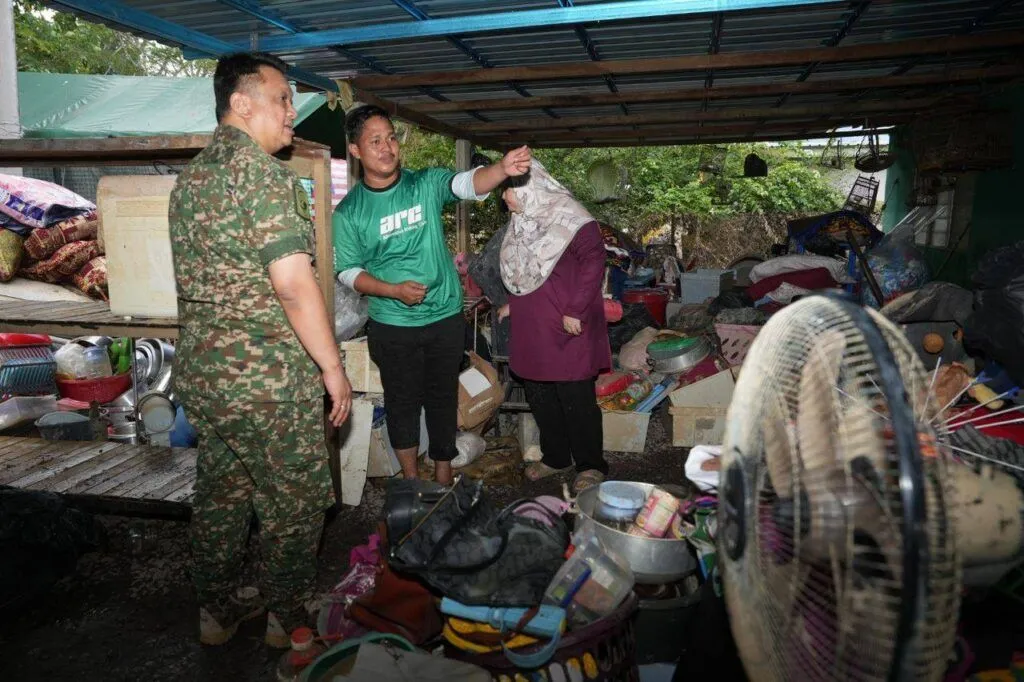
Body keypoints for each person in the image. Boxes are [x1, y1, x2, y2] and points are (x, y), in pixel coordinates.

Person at [169, 52, 352, 650]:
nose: (291, 112)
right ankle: (289, 620)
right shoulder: (263, 177)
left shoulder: (191, 179)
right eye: (282, 98)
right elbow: (294, 285)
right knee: (294, 500)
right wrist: (333, 368)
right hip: (265, 381)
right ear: (241, 103)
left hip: (205, 376)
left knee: (223, 492)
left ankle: (215, 611)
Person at [334, 105, 530, 484]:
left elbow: (466, 183)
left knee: (443, 398)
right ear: (356, 150)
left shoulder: (422, 183)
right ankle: (410, 481)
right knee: (402, 403)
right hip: (392, 324)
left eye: (391, 137)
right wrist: (391, 290)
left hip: (443, 316)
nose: (387, 147)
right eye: (375, 141)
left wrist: (502, 170)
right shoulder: (350, 212)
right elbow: (347, 272)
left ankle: (442, 476)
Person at [497, 160, 611, 493]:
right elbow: (524, 268)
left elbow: (594, 262)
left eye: (509, 188)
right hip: (533, 324)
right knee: (541, 394)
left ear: (531, 186)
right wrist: (514, 302)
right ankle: (557, 456)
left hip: (567, 321)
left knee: (575, 396)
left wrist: (575, 309)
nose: (504, 196)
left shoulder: (571, 216)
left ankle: (591, 464)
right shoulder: (523, 220)